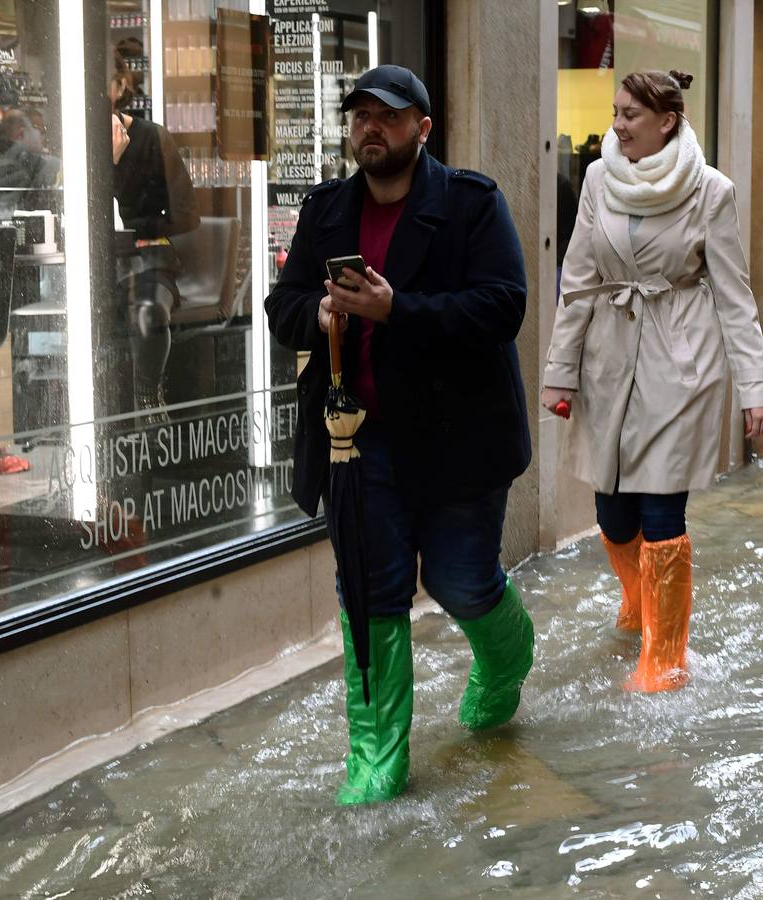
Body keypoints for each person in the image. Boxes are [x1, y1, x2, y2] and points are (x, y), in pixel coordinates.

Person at [264, 65, 535, 805]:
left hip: (459, 439)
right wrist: (317, 318)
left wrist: (396, 311)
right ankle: (376, 760)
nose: (370, 128)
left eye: (387, 115)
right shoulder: (327, 210)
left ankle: (508, 655)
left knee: (459, 580)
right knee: (370, 594)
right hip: (360, 440)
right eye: (359, 116)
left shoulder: (472, 204)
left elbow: (503, 306)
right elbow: (280, 303)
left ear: (423, 127)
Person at [541, 69, 763, 693]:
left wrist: (756, 386)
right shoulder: (597, 177)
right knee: (612, 511)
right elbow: (579, 280)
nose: (616, 125)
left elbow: (734, 296)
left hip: (682, 362)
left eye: (629, 115)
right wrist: (559, 373)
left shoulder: (710, 191)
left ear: (667, 120)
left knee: (662, 506)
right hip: (608, 359)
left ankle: (664, 657)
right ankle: (641, 602)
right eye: (616, 112)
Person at [109, 55, 200, 422]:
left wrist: (142, 231)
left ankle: (148, 393)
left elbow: (187, 212)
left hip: (149, 258)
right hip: (98, 261)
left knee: (146, 311)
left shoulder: (151, 137)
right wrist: (108, 166)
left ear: (119, 89)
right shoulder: (77, 147)